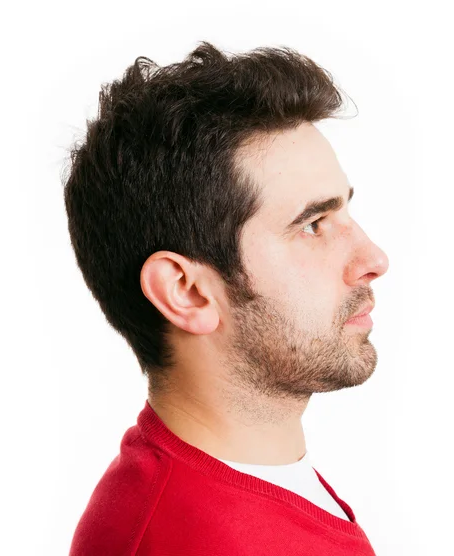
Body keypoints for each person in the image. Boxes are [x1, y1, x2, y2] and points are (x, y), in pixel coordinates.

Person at [64, 40, 389, 555]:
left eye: (345, 213)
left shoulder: (228, 490)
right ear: (187, 292)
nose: (373, 257)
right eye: (313, 224)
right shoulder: (201, 539)